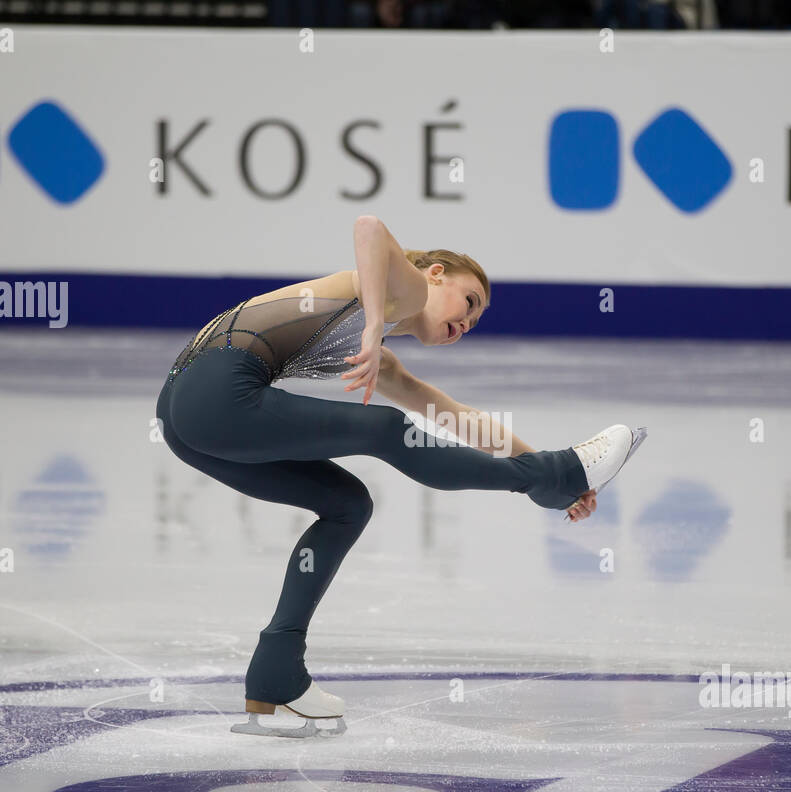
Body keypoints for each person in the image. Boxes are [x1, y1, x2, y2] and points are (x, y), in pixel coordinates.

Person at [154, 215, 646, 737]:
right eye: (469, 301)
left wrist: (551, 477)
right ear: (435, 275)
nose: (469, 322)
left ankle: (276, 675)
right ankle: (551, 473)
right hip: (214, 396)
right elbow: (368, 227)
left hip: (183, 417)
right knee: (387, 428)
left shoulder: (381, 335)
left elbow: (449, 413)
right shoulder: (402, 290)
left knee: (347, 504)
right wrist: (370, 323)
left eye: (476, 320)